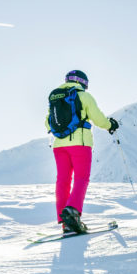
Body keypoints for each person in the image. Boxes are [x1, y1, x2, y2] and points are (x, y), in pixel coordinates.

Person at [46, 70, 119, 233]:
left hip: (58, 145)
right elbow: (98, 119)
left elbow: (47, 123)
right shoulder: (84, 96)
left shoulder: (55, 98)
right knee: (81, 178)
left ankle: (66, 223)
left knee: (63, 180)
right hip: (80, 143)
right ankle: (72, 213)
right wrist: (111, 125)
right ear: (83, 83)